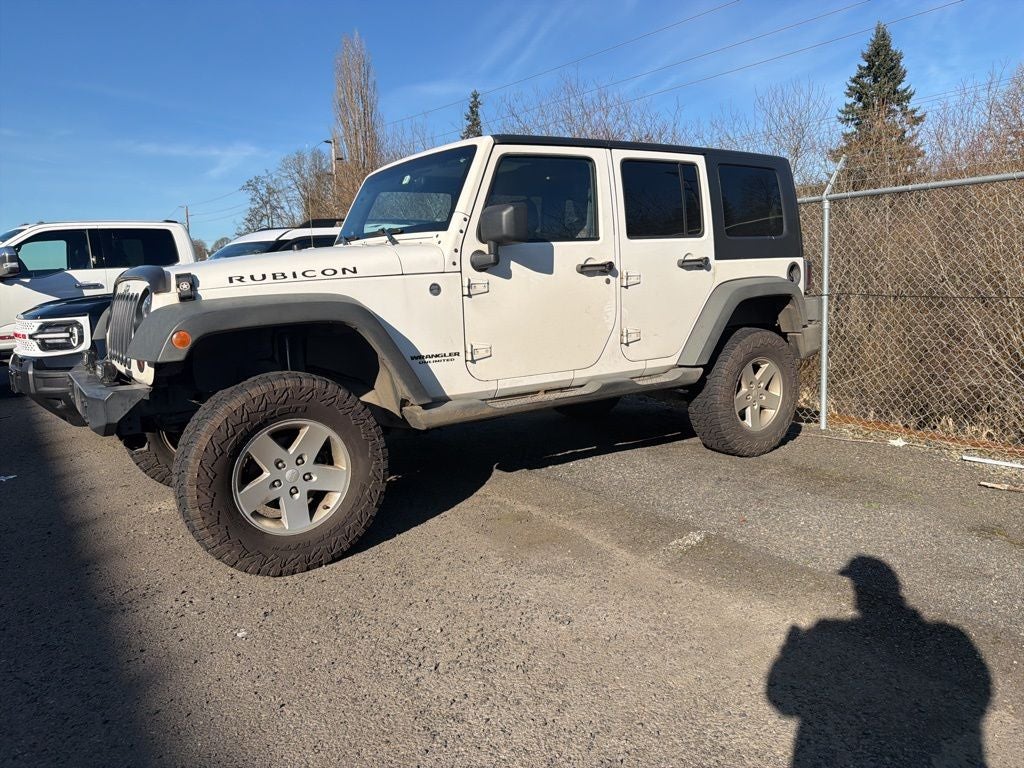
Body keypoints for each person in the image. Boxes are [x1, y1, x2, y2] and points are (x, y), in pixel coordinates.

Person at [766, 556, 991, 766]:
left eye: (858, 587)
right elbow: (977, 697)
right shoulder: (950, 637)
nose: (856, 592)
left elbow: (783, 700)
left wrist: (790, 652)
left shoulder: (832, 631)